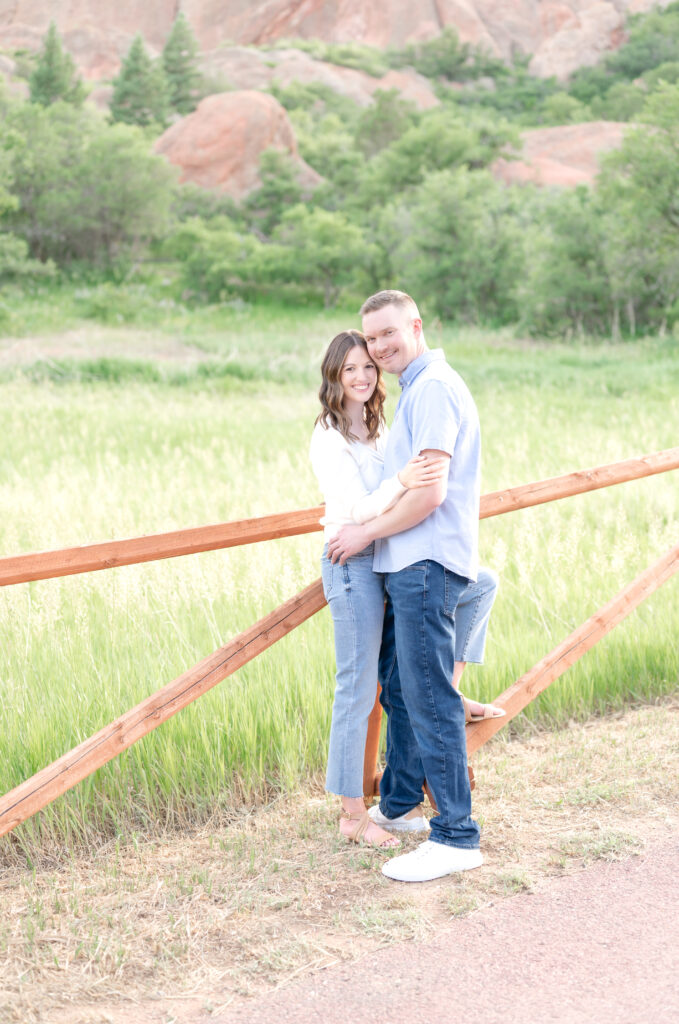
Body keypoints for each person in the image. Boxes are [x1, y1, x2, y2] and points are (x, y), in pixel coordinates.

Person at [311, 328, 501, 852]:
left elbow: (401, 495)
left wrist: (401, 484)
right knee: (358, 684)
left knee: (480, 583)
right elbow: (354, 509)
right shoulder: (329, 437)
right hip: (351, 561)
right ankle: (352, 813)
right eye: (349, 368)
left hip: (386, 558)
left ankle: (449, 688)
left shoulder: (378, 429)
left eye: (368, 366)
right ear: (334, 375)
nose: (362, 376)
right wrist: (402, 481)